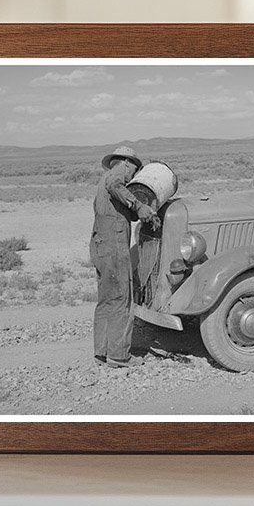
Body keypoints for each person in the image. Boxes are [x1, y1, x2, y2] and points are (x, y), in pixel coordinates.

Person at [90, 145, 159, 368]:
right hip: (114, 245)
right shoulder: (117, 174)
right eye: (134, 170)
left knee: (106, 300)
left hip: (100, 245)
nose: (133, 176)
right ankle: (119, 356)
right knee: (122, 298)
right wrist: (138, 205)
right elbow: (116, 185)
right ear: (127, 163)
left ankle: (102, 352)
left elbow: (125, 208)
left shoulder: (104, 184)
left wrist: (144, 213)